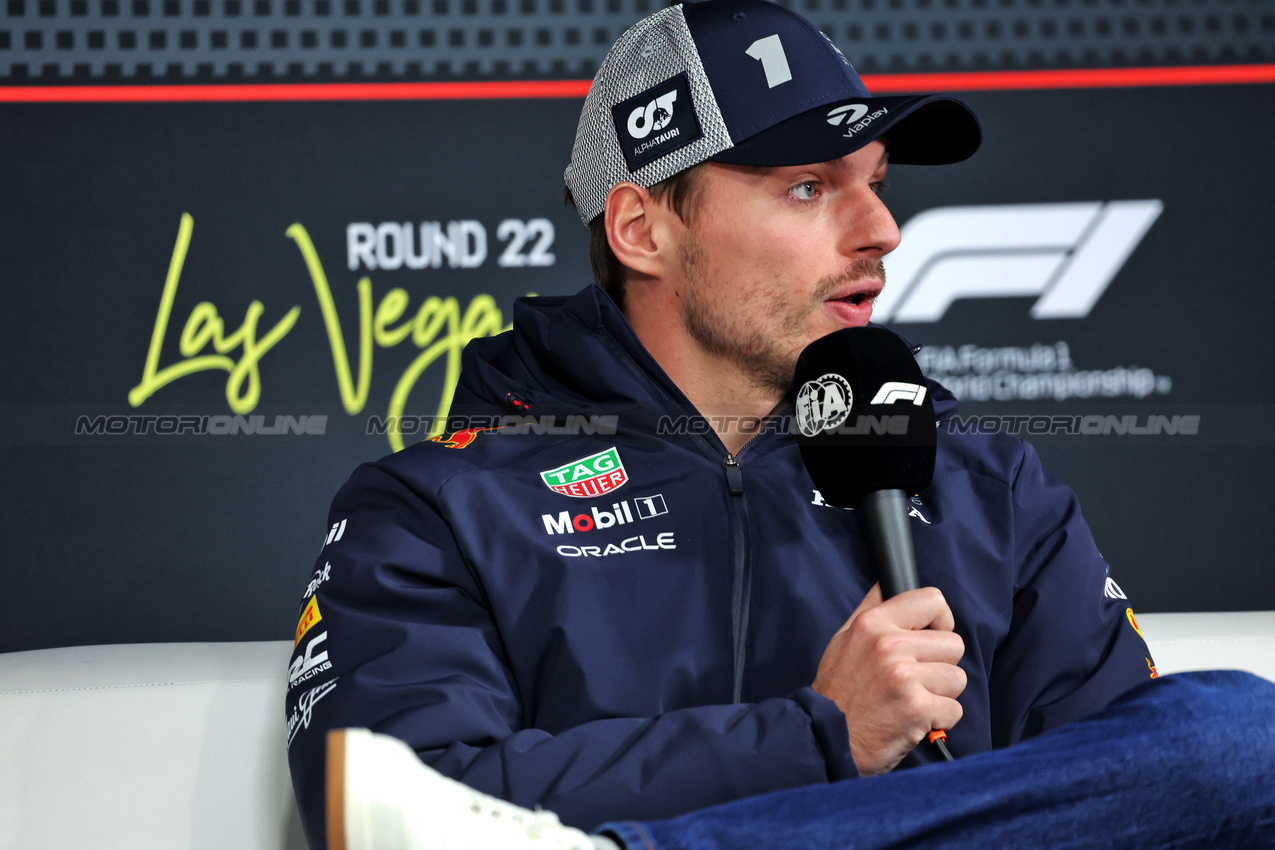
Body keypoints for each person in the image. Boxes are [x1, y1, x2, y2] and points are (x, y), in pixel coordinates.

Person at [285, 1, 1275, 848]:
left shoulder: (986, 484)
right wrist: (819, 737)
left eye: (876, 183)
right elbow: (378, 811)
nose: (882, 230)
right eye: (808, 188)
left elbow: (1124, 792)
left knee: (1242, 735)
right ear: (643, 229)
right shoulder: (436, 506)